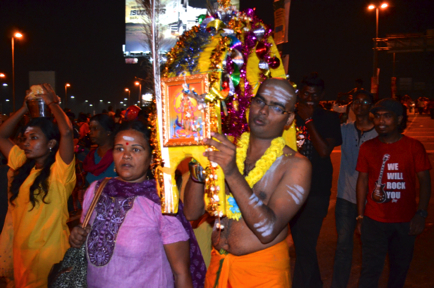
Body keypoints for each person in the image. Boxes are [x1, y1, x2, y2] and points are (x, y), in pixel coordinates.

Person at [184, 78, 312, 287]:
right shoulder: (228, 150)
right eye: (259, 101)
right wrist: (198, 167)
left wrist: (232, 172)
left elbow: (267, 230)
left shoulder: (296, 166)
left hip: (262, 273)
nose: (263, 111)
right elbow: (191, 212)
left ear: (289, 120)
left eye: (276, 107)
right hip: (219, 266)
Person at [69, 120, 206, 287]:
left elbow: (181, 272)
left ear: (151, 159)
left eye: (136, 149)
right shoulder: (96, 190)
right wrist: (77, 236)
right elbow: (86, 231)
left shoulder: (161, 201)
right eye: (120, 148)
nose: (126, 155)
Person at [0, 83, 76, 287]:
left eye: (34, 138)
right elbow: (1, 135)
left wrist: (52, 103)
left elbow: (67, 133)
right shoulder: (22, 166)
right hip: (21, 255)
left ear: (51, 144)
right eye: (25, 138)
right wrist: (25, 107)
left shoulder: (60, 172)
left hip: (49, 258)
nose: (26, 143)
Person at [356, 98, 431, 288]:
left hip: (405, 222)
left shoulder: (414, 147)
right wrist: (360, 216)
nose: (380, 122)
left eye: (387, 117)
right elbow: (362, 180)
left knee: (399, 271)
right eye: (378, 116)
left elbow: (425, 181)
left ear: (398, 120)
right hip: (374, 221)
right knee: (369, 271)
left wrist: (421, 213)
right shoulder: (367, 147)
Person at [291, 72, 342, 287]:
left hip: (316, 191)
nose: (309, 98)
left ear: (321, 95)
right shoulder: (290, 115)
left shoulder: (329, 118)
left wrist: (309, 119)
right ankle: (315, 284)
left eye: (314, 94)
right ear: (299, 93)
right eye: (305, 93)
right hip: (289, 189)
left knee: (306, 245)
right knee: (303, 246)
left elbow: (323, 150)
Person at [331, 90, 378, 288]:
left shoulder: (379, 133)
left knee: (370, 248)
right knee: (343, 246)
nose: (360, 105)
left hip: (371, 201)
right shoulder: (344, 130)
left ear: (372, 105)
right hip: (345, 197)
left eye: (365, 101)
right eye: (356, 102)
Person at [82, 114, 117, 186]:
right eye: (90, 128)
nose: (90, 132)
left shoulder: (118, 156)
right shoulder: (91, 156)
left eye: (95, 129)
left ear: (108, 132)